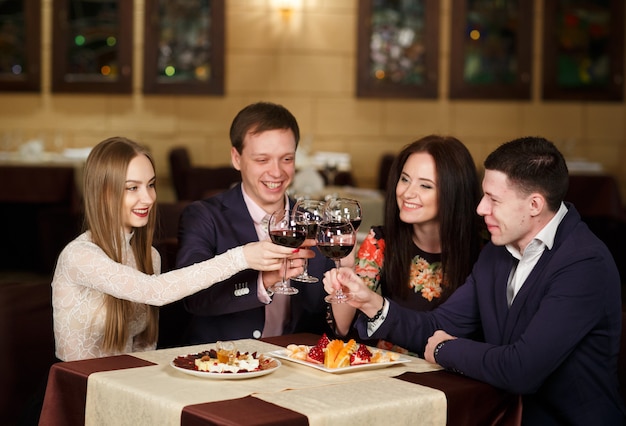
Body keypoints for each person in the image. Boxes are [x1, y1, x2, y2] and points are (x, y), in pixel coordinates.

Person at [324, 136, 626, 425]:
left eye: (493, 199)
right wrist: (372, 304)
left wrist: (445, 349)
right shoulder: (499, 251)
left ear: (534, 205)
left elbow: (522, 369)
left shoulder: (584, 264)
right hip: (495, 413)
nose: (480, 209)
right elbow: (437, 326)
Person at [51, 136, 301, 362]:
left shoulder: (148, 256)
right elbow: (155, 291)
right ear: (103, 194)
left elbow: (145, 346)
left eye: (150, 185)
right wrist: (242, 256)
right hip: (76, 389)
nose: (149, 198)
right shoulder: (79, 255)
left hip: (124, 383)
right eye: (132, 188)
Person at [177, 101, 335, 343]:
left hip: (296, 367)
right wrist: (264, 281)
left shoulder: (313, 221)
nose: (277, 172)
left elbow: (324, 313)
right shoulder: (204, 216)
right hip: (222, 366)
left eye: (286, 159)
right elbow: (193, 298)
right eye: (262, 160)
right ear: (236, 158)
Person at [329, 135, 483, 353]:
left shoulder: (483, 251)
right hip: (392, 375)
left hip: (456, 376)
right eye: (404, 179)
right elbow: (344, 328)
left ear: (454, 193)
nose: (407, 193)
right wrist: (344, 267)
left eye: (425, 186)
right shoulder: (380, 243)